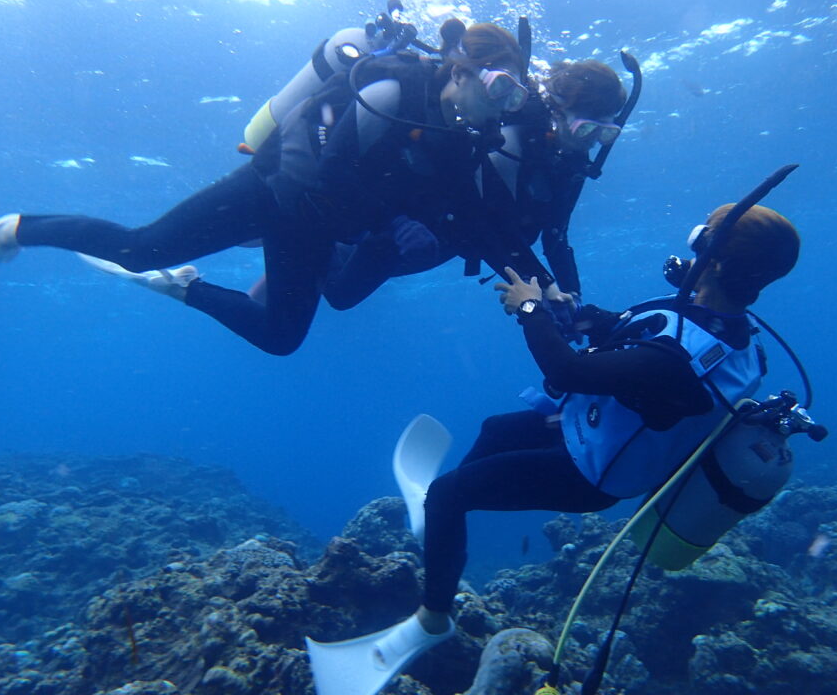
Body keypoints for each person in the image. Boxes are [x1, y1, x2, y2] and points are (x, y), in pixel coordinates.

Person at [305, 201, 801, 695]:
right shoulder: (718, 324)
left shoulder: (686, 353)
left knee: (447, 494)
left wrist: (528, 308)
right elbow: (628, 331)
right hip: (590, 433)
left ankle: (433, 617)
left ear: (714, 259)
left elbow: (568, 372)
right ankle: (446, 518)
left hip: (590, 472)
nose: (689, 246)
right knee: (496, 429)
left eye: (701, 237)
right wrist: (570, 309)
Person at [0, 22, 571, 355]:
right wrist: (392, 225)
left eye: (512, 99)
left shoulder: (465, 136)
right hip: (273, 193)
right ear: (461, 70)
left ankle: (187, 289)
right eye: (497, 89)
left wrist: (542, 281)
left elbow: (478, 219)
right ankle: (9, 229)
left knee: (282, 338)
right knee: (140, 249)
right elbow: (333, 168)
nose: (500, 108)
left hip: (314, 225)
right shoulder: (393, 94)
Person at [245, 57, 630, 312]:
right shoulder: (512, 139)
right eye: (585, 128)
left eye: (604, 133)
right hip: (421, 224)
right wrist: (544, 286)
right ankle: (284, 235)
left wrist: (571, 296)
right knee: (339, 292)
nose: (590, 141)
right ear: (558, 111)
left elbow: (556, 235)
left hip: (447, 241)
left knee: (338, 290)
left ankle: (292, 245)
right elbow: (482, 222)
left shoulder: (571, 161)